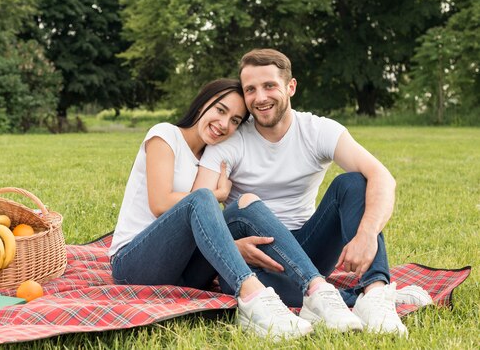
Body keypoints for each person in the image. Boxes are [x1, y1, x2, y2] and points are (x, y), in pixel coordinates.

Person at [194, 49, 430, 337]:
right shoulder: (230, 141)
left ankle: (376, 292)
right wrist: (233, 247)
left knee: (354, 182)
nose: (260, 97)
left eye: (269, 86)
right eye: (250, 90)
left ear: (290, 87)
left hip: (311, 246)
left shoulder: (318, 130)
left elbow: (382, 177)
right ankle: (355, 298)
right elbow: (199, 210)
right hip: (258, 254)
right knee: (240, 270)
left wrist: (367, 234)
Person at [108, 78, 314, 341]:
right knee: (202, 198)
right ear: (203, 102)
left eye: (236, 120)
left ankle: (314, 287)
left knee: (244, 207)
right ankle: (253, 296)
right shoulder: (165, 135)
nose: (224, 124)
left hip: (183, 274)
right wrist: (217, 194)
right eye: (220, 110)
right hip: (133, 265)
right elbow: (160, 203)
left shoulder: (210, 156)